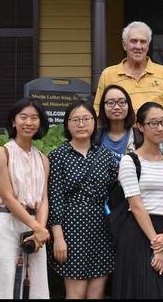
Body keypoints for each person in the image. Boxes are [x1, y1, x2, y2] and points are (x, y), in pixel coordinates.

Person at [47, 100, 117, 298]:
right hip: (71, 229)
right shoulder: (58, 156)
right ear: (67, 124)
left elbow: (113, 192)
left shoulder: (104, 155)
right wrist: (58, 237)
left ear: (94, 122)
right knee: (76, 293)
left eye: (86, 119)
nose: (81, 124)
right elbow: (55, 198)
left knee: (96, 292)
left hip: (101, 229)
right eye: (75, 119)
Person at [112, 102, 163, 298]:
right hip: (137, 232)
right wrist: (156, 244)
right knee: (141, 289)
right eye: (153, 123)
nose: (160, 128)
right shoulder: (130, 161)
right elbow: (135, 204)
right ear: (140, 127)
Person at [0, 97, 51, 298]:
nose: (29, 122)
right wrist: (39, 227)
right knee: (2, 284)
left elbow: (43, 199)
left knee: (35, 286)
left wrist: (39, 229)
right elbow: (8, 197)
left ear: (40, 123)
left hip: (34, 227)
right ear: (14, 121)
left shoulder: (43, 159)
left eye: (34, 117)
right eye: (23, 117)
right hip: (5, 222)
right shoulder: (1, 154)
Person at [93, 21, 163, 114]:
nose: (138, 46)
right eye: (133, 41)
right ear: (124, 45)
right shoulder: (108, 75)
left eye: (143, 42)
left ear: (148, 46)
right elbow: (98, 112)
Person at [96, 84, 137, 163]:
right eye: (111, 103)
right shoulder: (94, 136)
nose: (117, 107)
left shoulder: (140, 137)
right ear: (102, 107)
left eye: (122, 102)